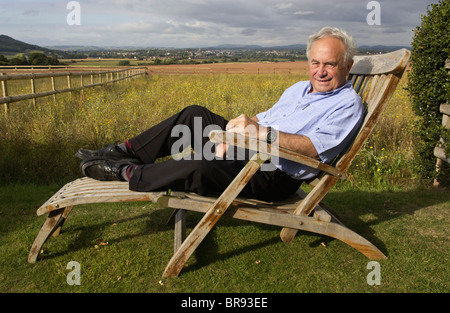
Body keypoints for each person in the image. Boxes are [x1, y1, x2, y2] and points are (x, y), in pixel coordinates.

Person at [77, 27, 364, 202]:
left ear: (347, 66)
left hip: (272, 172)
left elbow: (314, 149)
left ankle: (127, 172)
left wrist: (258, 135)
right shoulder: (299, 88)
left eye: (330, 64)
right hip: (251, 149)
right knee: (194, 115)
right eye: (315, 62)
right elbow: (261, 119)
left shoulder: (348, 104)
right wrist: (234, 136)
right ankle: (123, 151)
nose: (321, 71)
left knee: (203, 161)